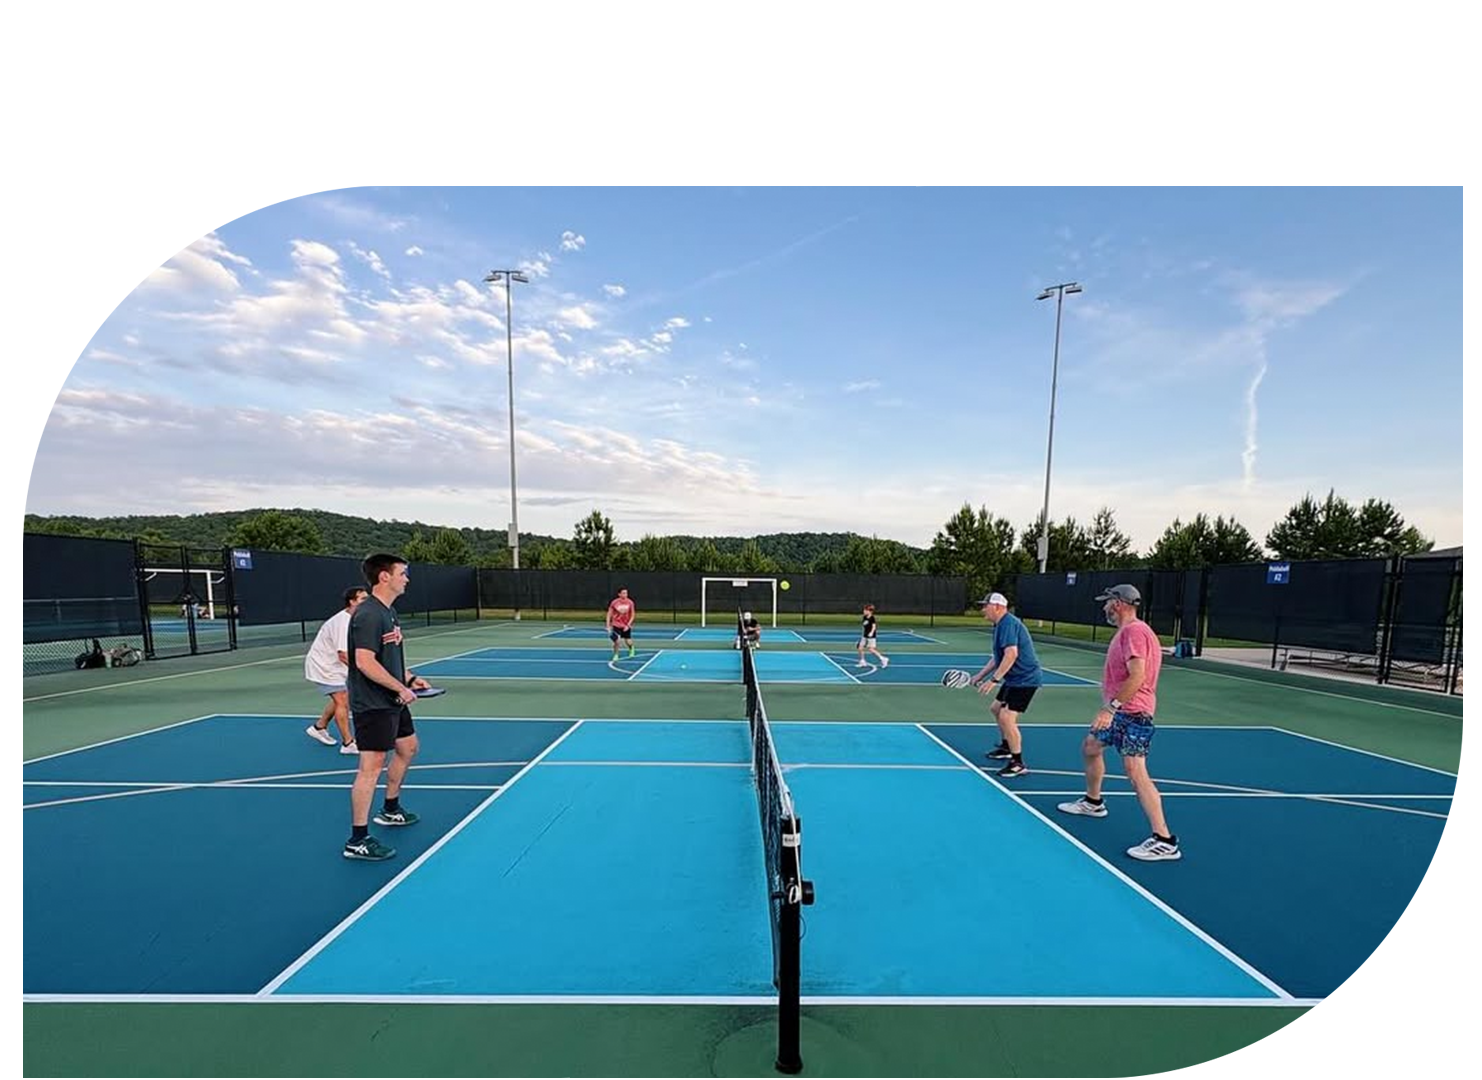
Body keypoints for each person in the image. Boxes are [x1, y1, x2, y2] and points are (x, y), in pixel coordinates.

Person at [1057, 584, 1180, 861]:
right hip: (1122, 711)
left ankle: (1164, 840)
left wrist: (1110, 708)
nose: (1104, 608)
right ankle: (1093, 802)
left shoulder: (1134, 632)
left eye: (1107, 602)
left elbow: (1138, 676)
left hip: (1133, 713)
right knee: (1091, 746)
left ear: (1118, 603)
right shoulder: (1130, 632)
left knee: (1135, 771)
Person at [343, 553, 432, 862]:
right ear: (385, 576)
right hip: (372, 703)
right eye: (402, 573)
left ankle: (390, 809)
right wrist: (400, 688)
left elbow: (387, 659)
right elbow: (364, 662)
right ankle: (357, 839)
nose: (406, 579)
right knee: (371, 767)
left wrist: (411, 679)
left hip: (392, 699)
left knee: (408, 748)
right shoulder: (369, 614)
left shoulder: (388, 612)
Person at [971, 592, 1043, 778]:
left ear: (997, 607)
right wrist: (980, 675)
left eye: (985, 605)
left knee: (1007, 717)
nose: (983, 609)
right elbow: (999, 657)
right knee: (996, 709)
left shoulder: (1008, 624)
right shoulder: (1000, 625)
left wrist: (994, 680)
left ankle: (1018, 763)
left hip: (1026, 679)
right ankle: (1006, 747)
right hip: (1014, 679)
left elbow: (1011, 654)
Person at [304, 586, 368, 754]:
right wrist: (362, 671)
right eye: (363, 599)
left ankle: (319, 727)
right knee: (342, 700)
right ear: (352, 602)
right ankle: (348, 743)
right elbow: (343, 655)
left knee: (341, 698)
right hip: (324, 666)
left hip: (335, 665)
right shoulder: (343, 622)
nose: (367, 602)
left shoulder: (355, 619)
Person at [856, 603, 890, 668]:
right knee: (860, 647)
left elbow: (874, 626)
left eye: (865, 610)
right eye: (864, 610)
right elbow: (864, 627)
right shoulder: (864, 617)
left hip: (871, 636)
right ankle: (862, 661)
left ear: (869, 611)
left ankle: (883, 659)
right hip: (864, 635)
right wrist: (863, 634)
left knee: (871, 649)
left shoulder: (872, 618)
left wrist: (871, 633)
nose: (864, 611)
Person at [607, 587, 636, 659]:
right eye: (623, 593)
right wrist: (608, 625)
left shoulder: (630, 602)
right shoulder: (614, 602)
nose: (625, 594)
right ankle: (616, 655)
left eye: (626, 593)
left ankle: (631, 648)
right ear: (619, 594)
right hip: (616, 624)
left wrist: (628, 625)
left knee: (628, 641)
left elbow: (632, 615)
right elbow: (609, 614)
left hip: (625, 625)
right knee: (617, 641)